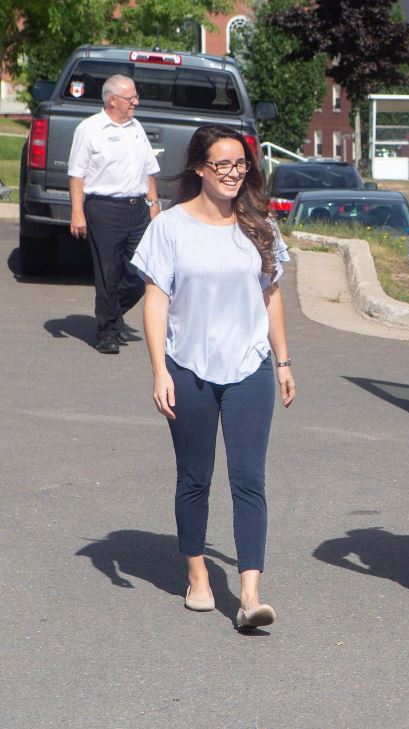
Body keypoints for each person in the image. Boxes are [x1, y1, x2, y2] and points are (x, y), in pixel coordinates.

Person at [131, 124, 295, 631]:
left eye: (240, 164)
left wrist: (283, 362)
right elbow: (156, 301)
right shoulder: (170, 227)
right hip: (188, 367)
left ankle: (249, 595)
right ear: (200, 167)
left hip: (249, 367)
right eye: (222, 164)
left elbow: (271, 296)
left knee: (249, 479)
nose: (232, 173)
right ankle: (198, 575)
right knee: (195, 477)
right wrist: (159, 370)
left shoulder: (259, 224)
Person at [68, 74, 161, 354]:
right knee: (108, 273)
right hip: (104, 209)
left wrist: (154, 205)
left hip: (138, 209)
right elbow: (76, 174)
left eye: (135, 96)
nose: (136, 102)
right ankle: (107, 331)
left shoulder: (136, 127)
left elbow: (148, 169)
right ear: (112, 100)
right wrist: (77, 211)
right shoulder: (90, 129)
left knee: (143, 270)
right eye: (131, 98)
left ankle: (112, 313)